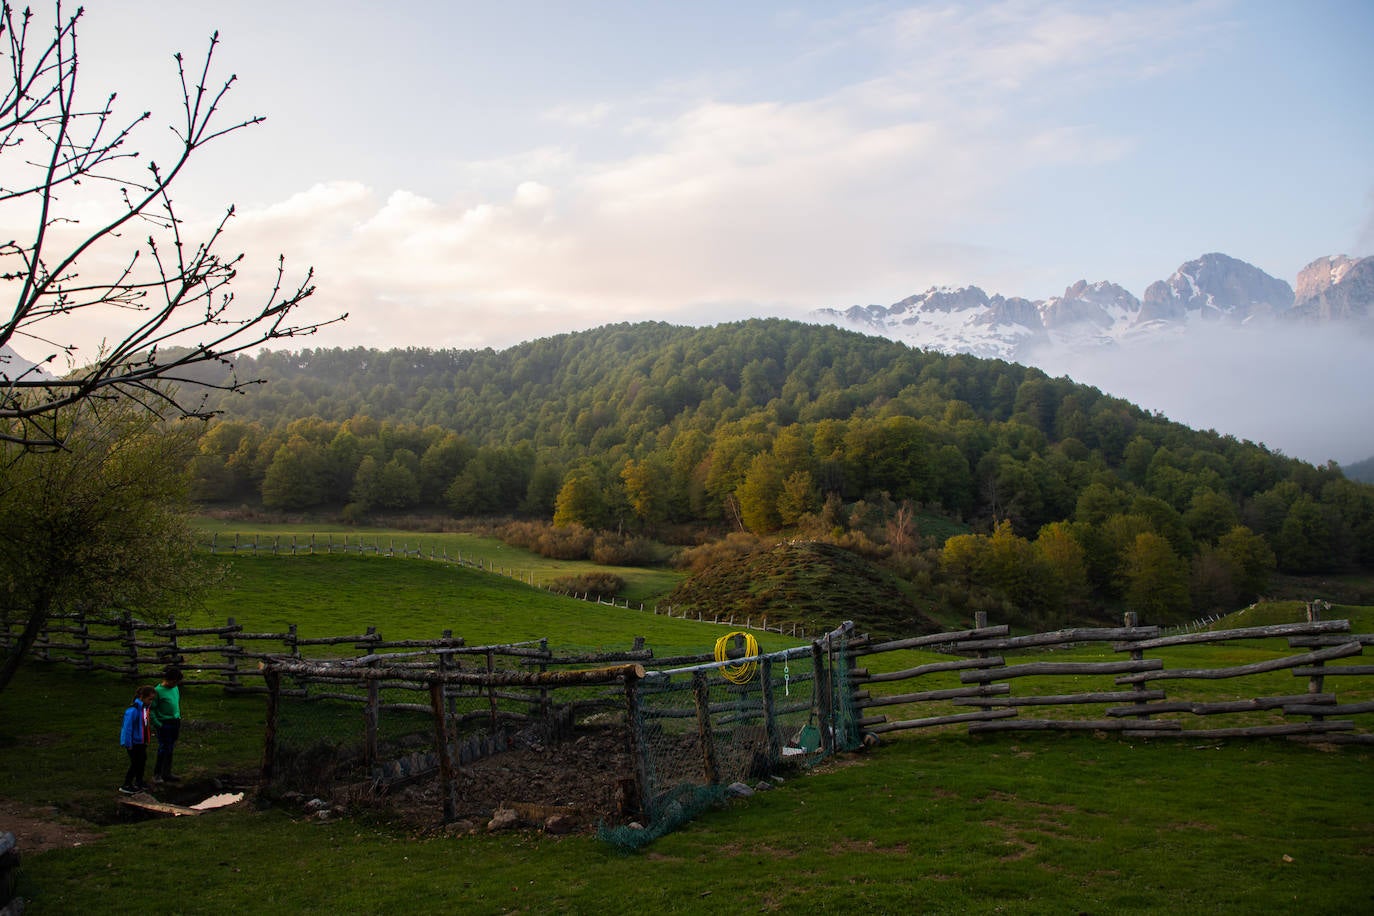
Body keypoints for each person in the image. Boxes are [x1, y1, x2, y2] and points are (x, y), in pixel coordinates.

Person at [119, 685, 156, 794]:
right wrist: (128, 743)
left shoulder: (144, 709)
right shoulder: (132, 711)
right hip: (133, 743)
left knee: (142, 761)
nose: (151, 702)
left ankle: (139, 782)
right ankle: (126, 784)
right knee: (135, 763)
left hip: (141, 741)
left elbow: (144, 725)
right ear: (141, 697)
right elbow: (127, 728)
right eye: (150, 699)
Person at [151, 666, 184, 783]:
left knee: (170, 747)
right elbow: (151, 709)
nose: (176, 684)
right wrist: (158, 724)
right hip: (164, 723)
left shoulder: (175, 688)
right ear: (168, 679)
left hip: (175, 721)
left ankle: (167, 773)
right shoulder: (158, 691)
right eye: (175, 681)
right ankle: (157, 774)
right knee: (163, 748)